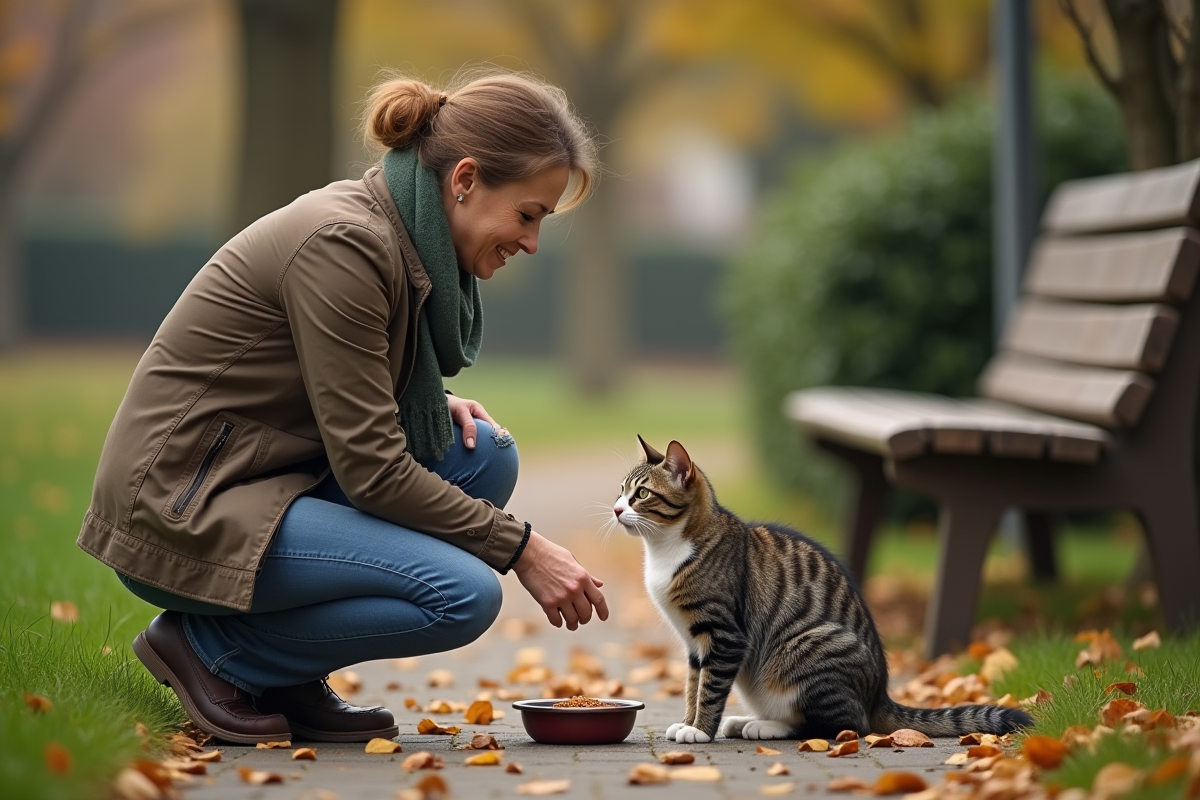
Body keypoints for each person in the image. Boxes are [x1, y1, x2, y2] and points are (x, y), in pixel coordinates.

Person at [76, 69, 608, 745]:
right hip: (184, 504)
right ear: (465, 180)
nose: (531, 241)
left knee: (482, 458)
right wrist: (524, 549)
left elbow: (331, 381)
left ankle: (283, 673)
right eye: (527, 215)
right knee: (465, 594)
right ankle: (213, 651)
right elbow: (373, 472)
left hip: (259, 479)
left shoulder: (398, 235)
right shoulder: (345, 243)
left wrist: (425, 400)